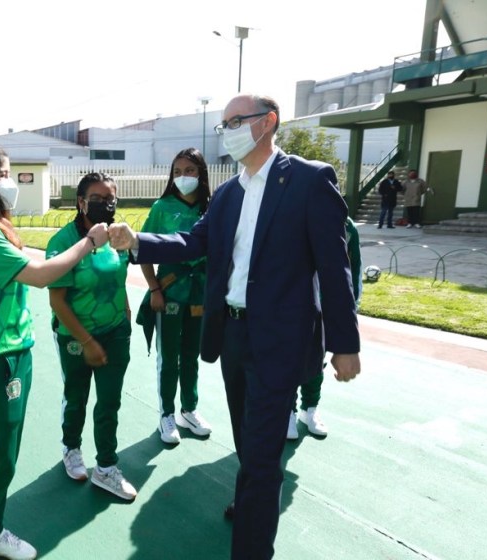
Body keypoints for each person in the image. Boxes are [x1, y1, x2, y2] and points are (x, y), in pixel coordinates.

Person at [108, 93, 361, 560]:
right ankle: (251, 503)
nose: (227, 131)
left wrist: (345, 343)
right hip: (234, 335)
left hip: (281, 340)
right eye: (223, 124)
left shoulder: (308, 180)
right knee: (249, 443)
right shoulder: (228, 194)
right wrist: (137, 240)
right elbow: (192, 241)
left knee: (262, 458)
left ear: (268, 122)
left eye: (235, 121)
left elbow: (334, 265)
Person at [0, 141, 110, 560]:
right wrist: (88, 242)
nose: (10, 183)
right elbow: (40, 274)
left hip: (12, 353)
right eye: (3, 175)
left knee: (3, 460)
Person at [46, 172, 137, 501]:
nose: (105, 205)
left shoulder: (118, 236)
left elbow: (119, 279)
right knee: (77, 396)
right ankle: (71, 447)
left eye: (110, 199)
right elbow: (57, 301)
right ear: (81, 202)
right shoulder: (64, 242)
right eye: (96, 199)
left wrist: (125, 316)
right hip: (75, 337)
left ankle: (106, 468)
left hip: (115, 331)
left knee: (110, 401)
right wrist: (87, 342)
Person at [137, 148, 213, 445]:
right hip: (169, 292)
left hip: (200, 294)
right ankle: (166, 414)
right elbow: (143, 250)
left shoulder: (211, 208)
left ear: (201, 174)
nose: (183, 177)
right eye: (177, 171)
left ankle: (188, 410)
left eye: (190, 171)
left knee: (191, 355)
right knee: (169, 357)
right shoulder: (162, 207)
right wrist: (155, 289)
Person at [288, 216, 362, 439]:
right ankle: (288, 411)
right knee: (289, 358)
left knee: (316, 360)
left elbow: (353, 268)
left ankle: (309, 409)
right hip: (293, 303)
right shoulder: (294, 215)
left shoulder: (347, 226)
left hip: (325, 305)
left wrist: (352, 305)